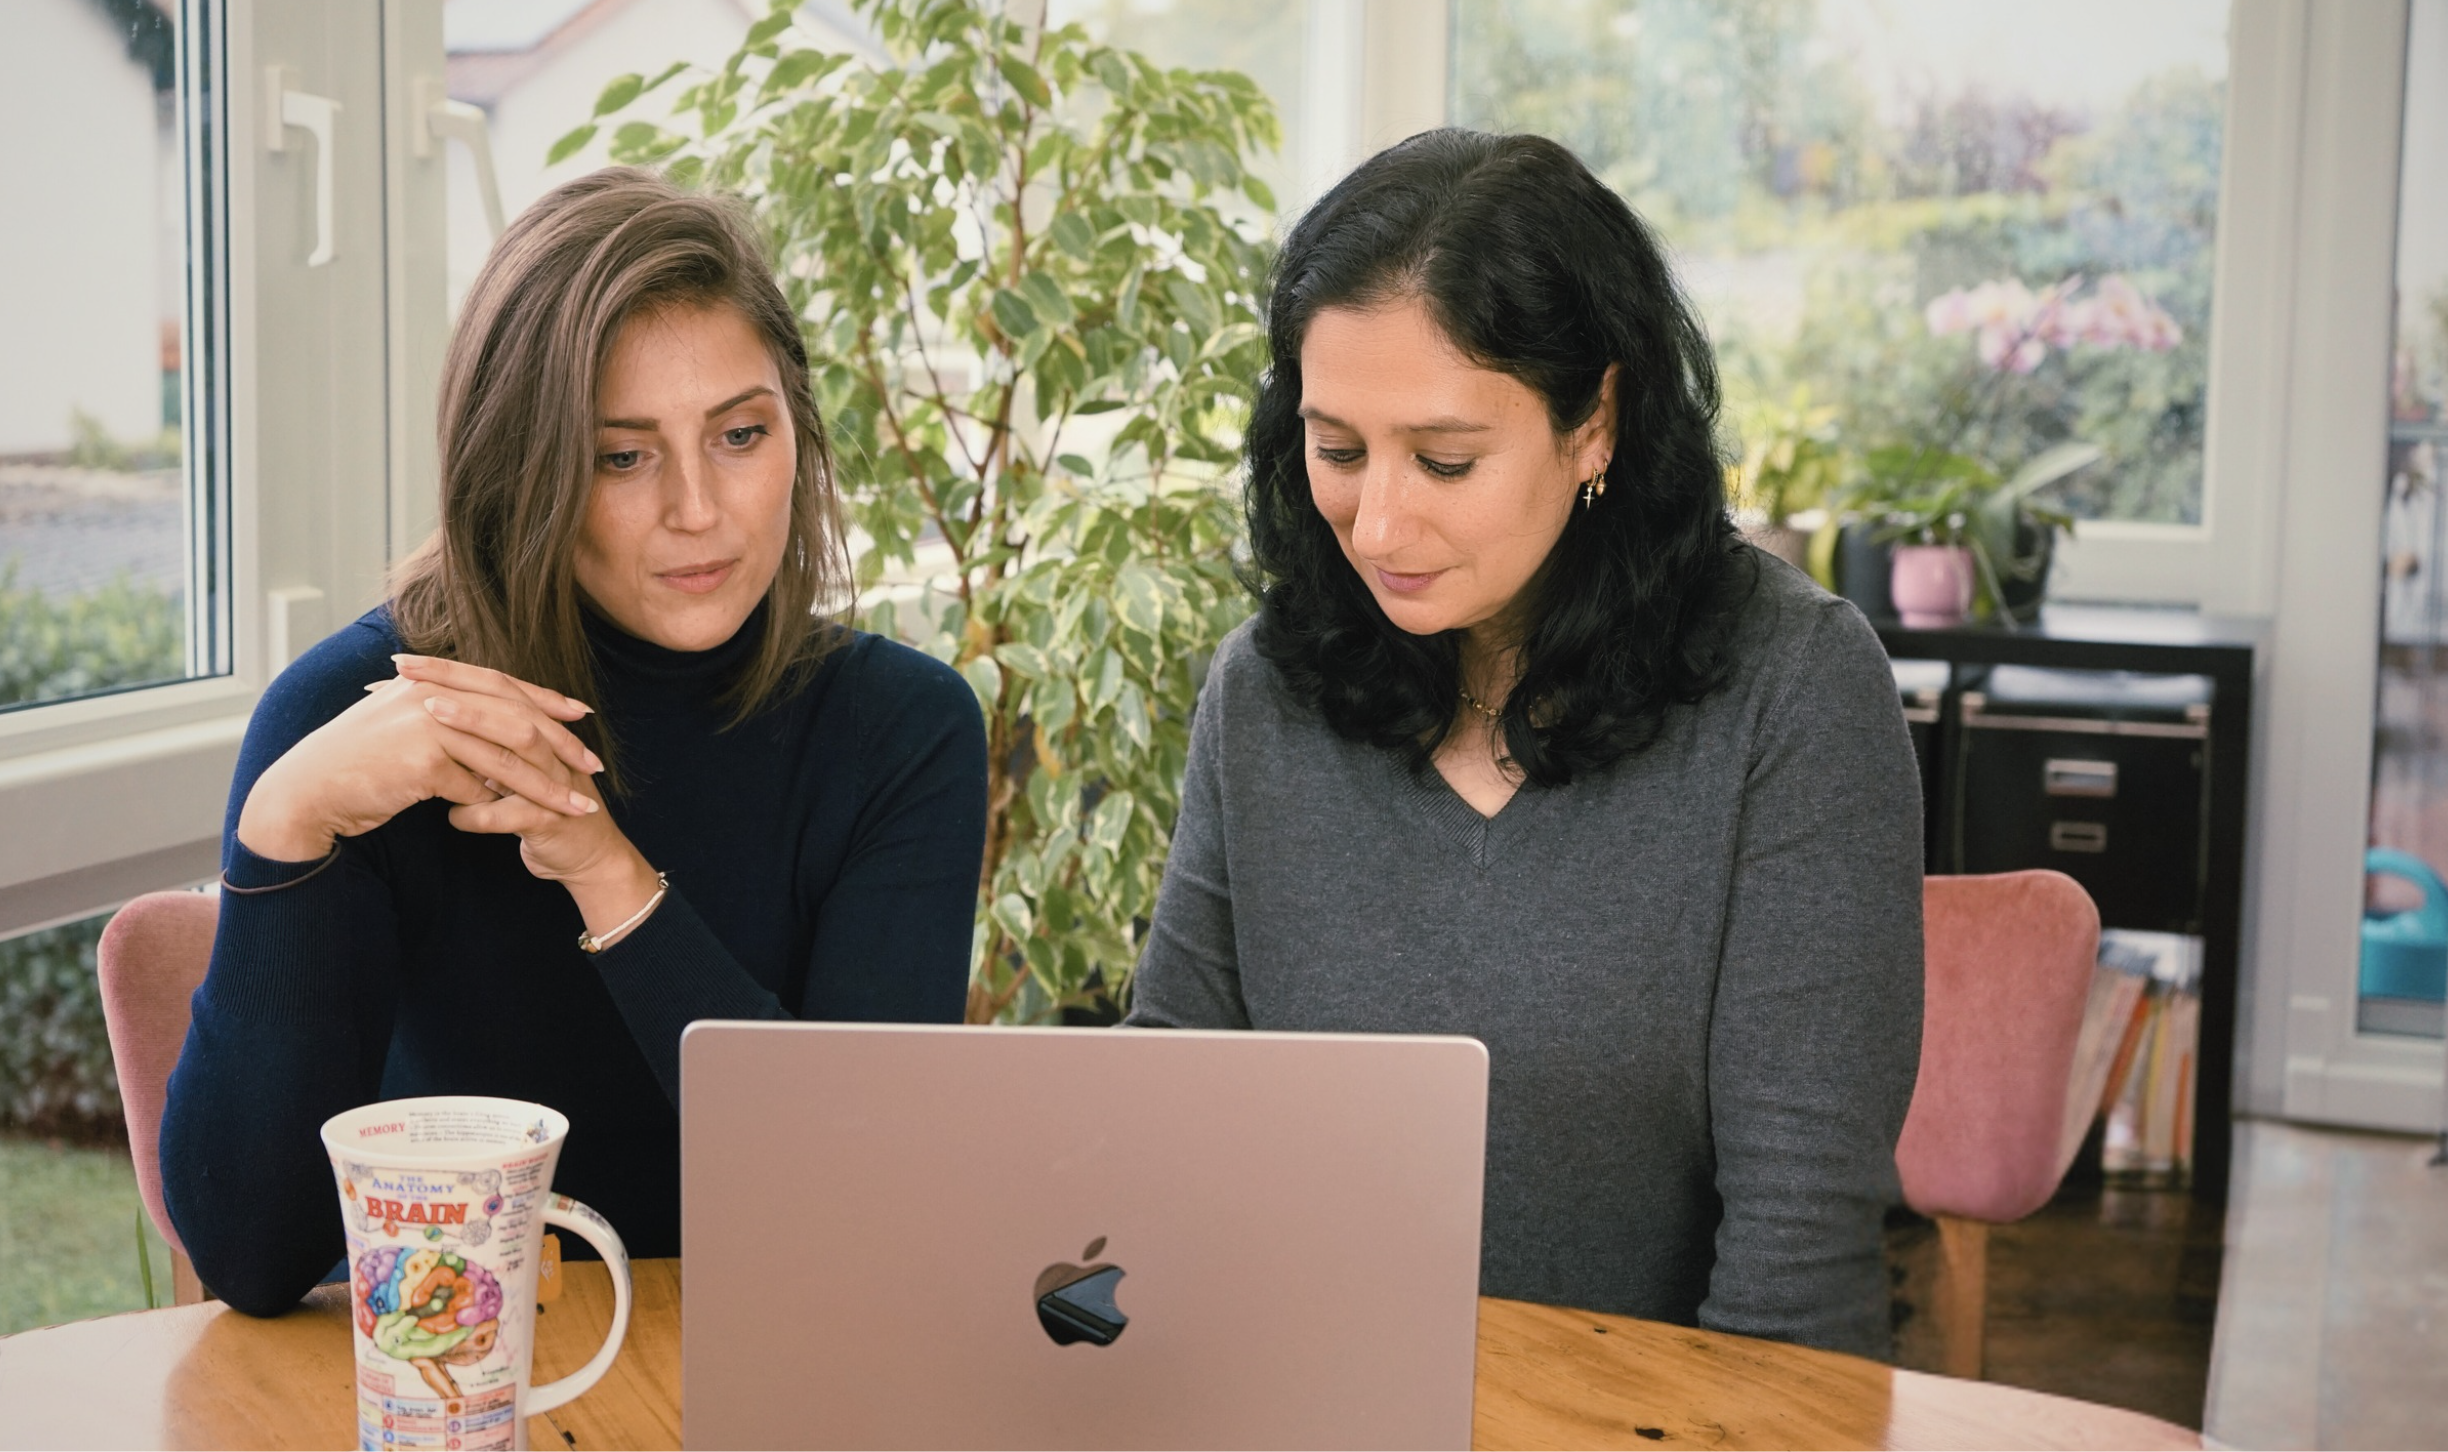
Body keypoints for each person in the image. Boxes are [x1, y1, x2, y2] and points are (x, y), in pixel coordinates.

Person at [1125, 130, 1923, 1357]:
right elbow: (1162, 1130)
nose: (1377, 521)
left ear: (1594, 421)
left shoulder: (1795, 690)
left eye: (1444, 460)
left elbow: (1798, 1257)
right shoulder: (1265, 692)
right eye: (1336, 449)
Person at [163, 169, 989, 1315]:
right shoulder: (353, 718)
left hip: (780, 1375)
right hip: (460, 1390)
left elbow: (854, 1199)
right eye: (623, 456)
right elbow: (252, 1260)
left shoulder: (902, 732)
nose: (699, 508)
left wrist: (607, 874)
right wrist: (282, 833)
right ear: (521, 471)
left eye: (740, 434)